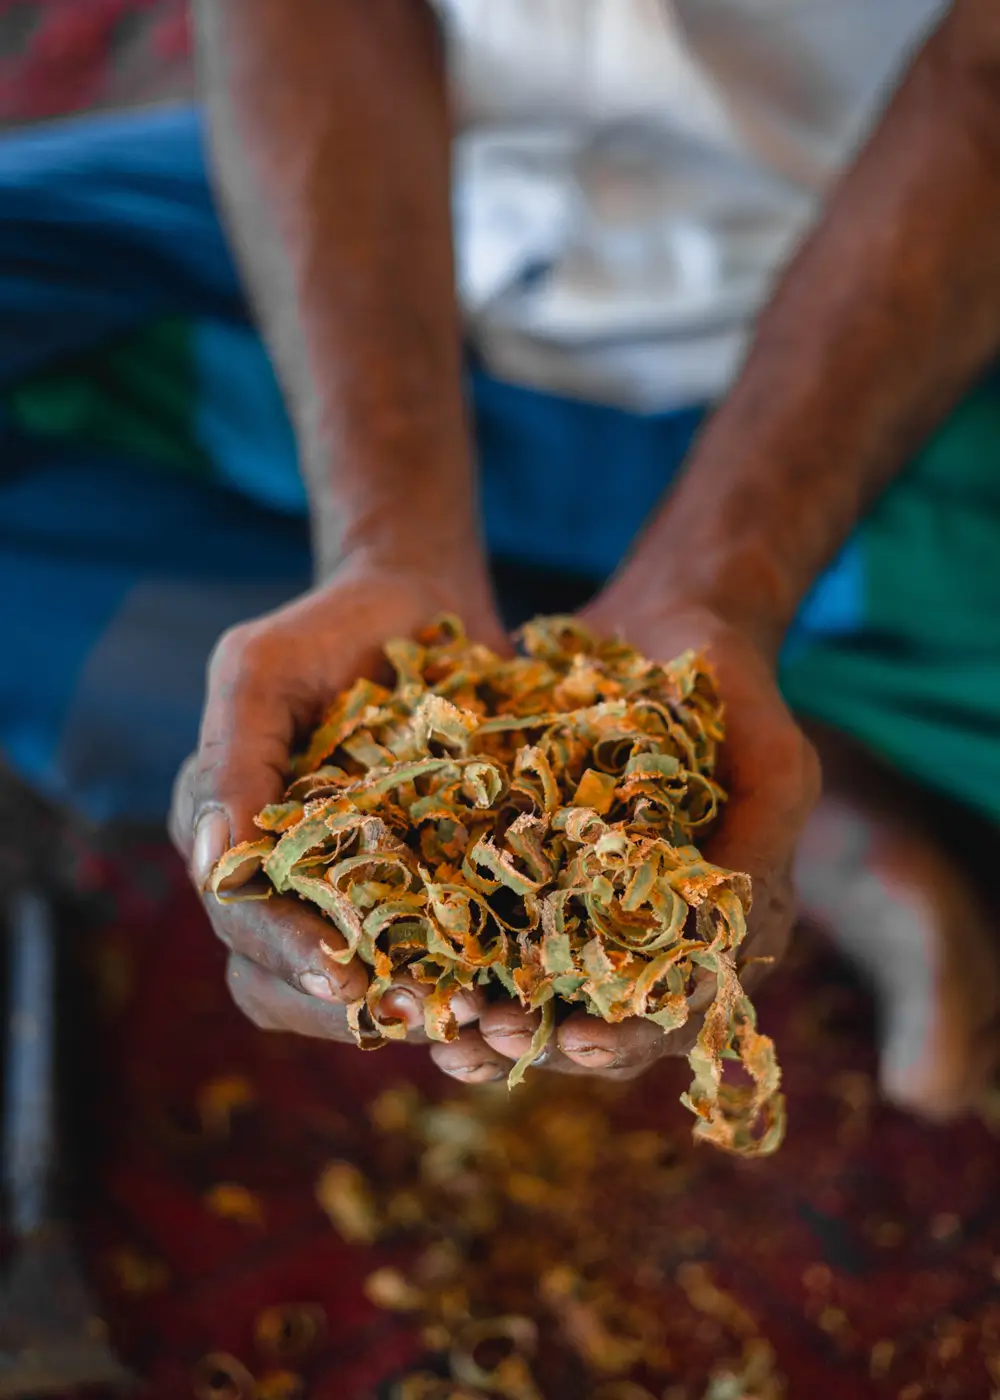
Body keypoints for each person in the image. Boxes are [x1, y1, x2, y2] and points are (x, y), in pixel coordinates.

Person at [3, 2, 999, 1114]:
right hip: (428, 218)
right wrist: (388, 538)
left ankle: (792, 736)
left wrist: (725, 584)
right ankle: (818, 744)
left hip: (898, 315)